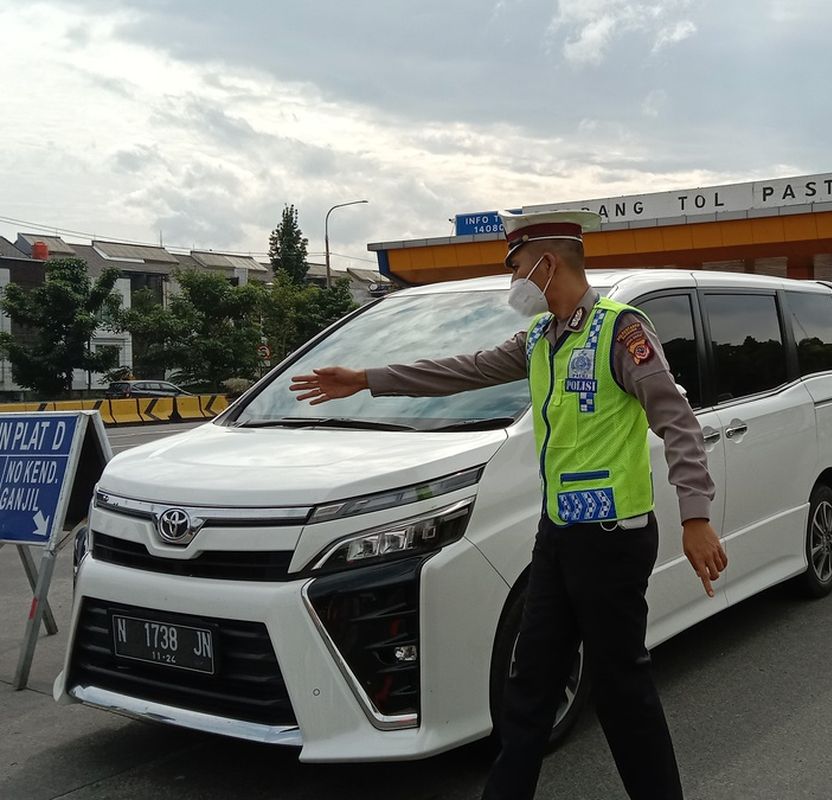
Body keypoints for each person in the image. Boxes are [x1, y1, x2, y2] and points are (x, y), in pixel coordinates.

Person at [289, 209, 727, 800]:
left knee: (622, 687)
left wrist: (695, 516)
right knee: (530, 682)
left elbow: (678, 422)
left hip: (613, 540)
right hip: (558, 538)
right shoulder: (539, 341)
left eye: (515, 267)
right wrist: (366, 378)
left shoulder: (621, 332)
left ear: (545, 264)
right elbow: (459, 371)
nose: (512, 281)